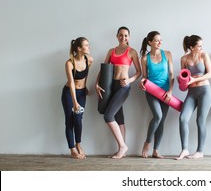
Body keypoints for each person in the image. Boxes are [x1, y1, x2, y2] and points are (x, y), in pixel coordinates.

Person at [95, 26, 141, 159]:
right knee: (119, 118)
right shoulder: (111, 51)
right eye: (121, 35)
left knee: (108, 116)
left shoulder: (132, 52)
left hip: (123, 86)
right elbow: (104, 68)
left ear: (129, 37)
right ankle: (123, 150)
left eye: (126, 35)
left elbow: (139, 72)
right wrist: (97, 83)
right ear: (117, 36)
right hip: (111, 86)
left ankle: (122, 146)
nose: (123, 38)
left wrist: (129, 80)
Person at [176, 35, 211, 160]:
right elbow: (183, 77)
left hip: (204, 91)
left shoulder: (204, 56)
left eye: (202, 45)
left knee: (200, 120)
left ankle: (200, 151)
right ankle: (185, 150)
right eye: (199, 46)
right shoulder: (184, 59)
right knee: (182, 118)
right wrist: (181, 80)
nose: (201, 48)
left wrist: (195, 78)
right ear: (191, 47)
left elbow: (210, 74)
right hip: (191, 92)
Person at [139, 31, 174, 158]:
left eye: (160, 40)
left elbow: (171, 75)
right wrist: (142, 81)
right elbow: (144, 77)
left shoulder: (168, 54)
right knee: (158, 116)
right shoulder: (144, 58)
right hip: (152, 91)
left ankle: (156, 150)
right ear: (150, 42)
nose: (160, 42)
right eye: (156, 40)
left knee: (161, 121)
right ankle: (147, 142)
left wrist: (170, 91)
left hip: (166, 93)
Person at [61, 37, 93, 159]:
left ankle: (78, 144)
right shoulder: (69, 63)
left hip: (81, 93)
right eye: (86, 45)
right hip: (69, 93)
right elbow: (72, 83)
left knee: (78, 119)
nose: (89, 47)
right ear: (79, 48)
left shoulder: (89, 59)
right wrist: (74, 102)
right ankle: (72, 149)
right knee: (69, 120)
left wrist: (84, 87)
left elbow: (85, 75)